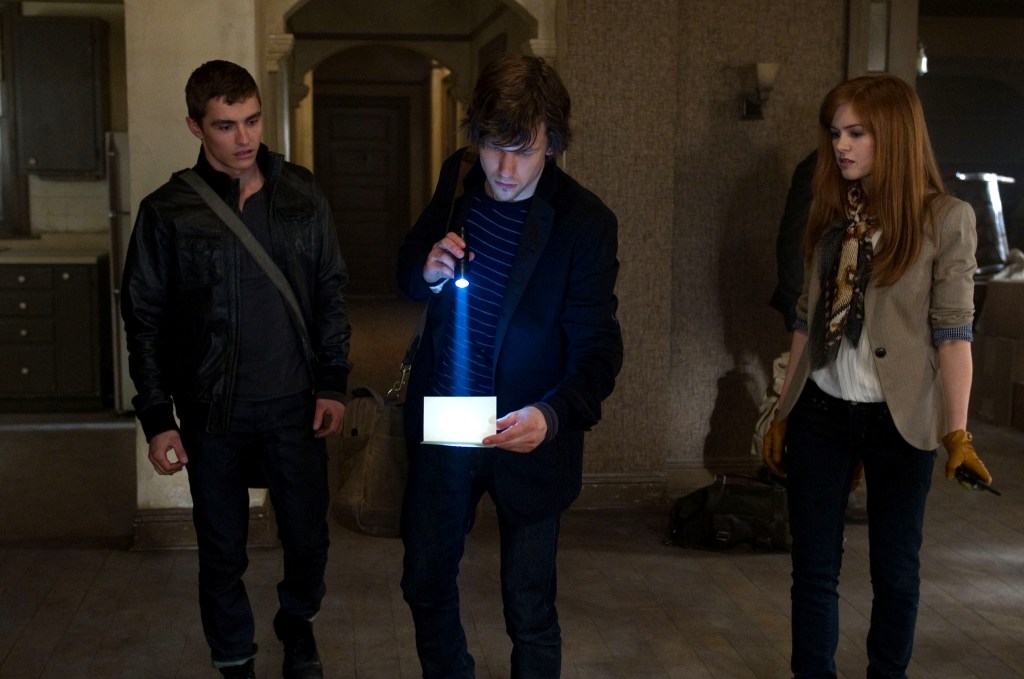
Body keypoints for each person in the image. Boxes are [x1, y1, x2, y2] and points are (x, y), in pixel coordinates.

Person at [121, 60, 350, 679]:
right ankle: (235, 661)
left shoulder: (300, 192)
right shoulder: (168, 211)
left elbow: (330, 290)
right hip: (212, 409)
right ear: (195, 127)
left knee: (308, 540)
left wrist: (333, 382)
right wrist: (157, 418)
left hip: (295, 402)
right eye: (226, 126)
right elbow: (143, 320)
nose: (244, 138)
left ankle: (296, 624)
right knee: (222, 552)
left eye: (252, 120)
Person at [396, 53, 623, 678]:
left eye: (523, 151)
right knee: (424, 582)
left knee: (529, 607)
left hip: (527, 428)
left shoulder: (585, 223)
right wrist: (427, 270)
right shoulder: (459, 176)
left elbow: (599, 350)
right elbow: (408, 268)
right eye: (494, 146)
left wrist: (552, 416)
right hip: (449, 419)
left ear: (554, 142)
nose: (503, 168)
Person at [762, 74, 994, 679]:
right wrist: (782, 410)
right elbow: (806, 319)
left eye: (856, 133)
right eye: (836, 132)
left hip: (901, 420)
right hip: (821, 410)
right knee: (813, 569)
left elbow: (954, 333)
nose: (841, 145)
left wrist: (958, 433)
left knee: (894, 570)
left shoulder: (946, 218)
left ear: (893, 135)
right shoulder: (831, 211)